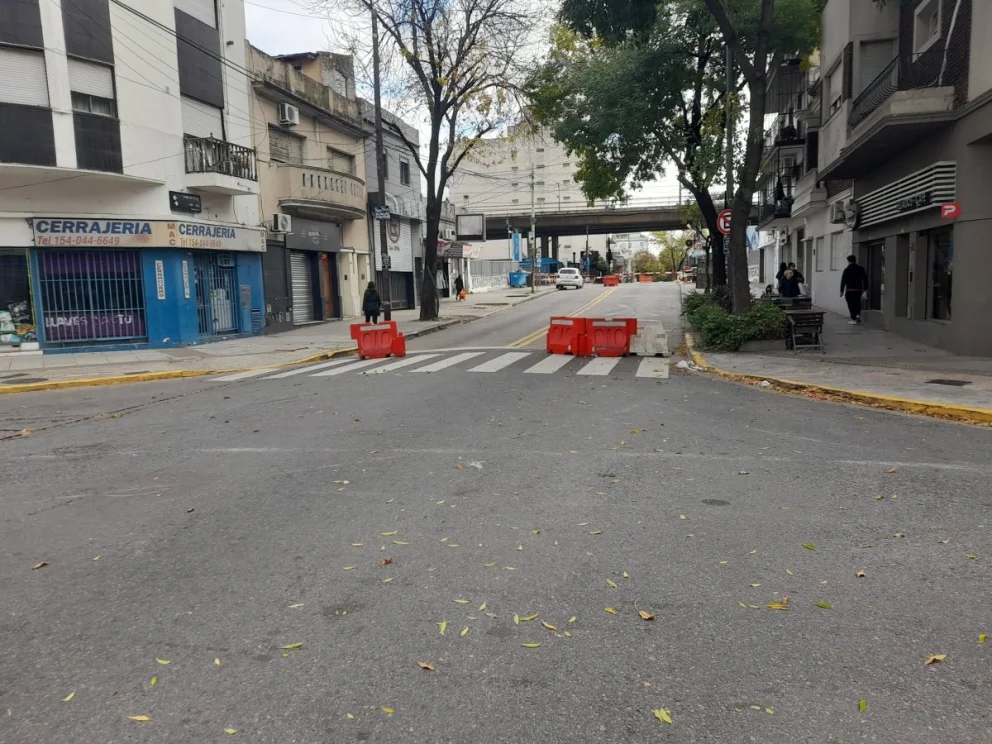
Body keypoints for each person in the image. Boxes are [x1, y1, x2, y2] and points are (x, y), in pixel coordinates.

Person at [840, 254, 869, 324]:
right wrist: (865, 289)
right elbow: (865, 279)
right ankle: (858, 315)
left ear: (848, 261)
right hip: (858, 290)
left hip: (849, 290)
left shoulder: (847, 270)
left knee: (851, 304)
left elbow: (843, 281)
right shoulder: (861, 268)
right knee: (857, 303)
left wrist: (841, 291)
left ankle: (853, 319)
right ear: (855, 260)